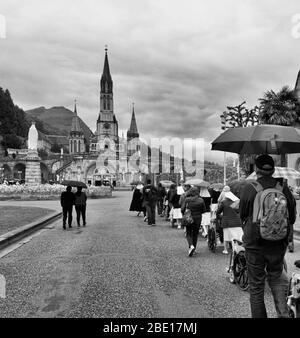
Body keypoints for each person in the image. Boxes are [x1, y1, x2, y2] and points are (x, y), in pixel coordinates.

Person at [239, 155, 296, 318]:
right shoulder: (283, 189)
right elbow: (291, 218)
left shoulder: (249, 188)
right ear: (273, 170)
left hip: (254, 244)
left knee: (256, 287)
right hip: (278, 243)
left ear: (256, 169)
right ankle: (283, 314)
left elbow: (242, 214)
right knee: (277, 279)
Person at [181, 187, 206, 257]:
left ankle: (191, 246)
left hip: (189, 218)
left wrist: (184, 213)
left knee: (188, 233)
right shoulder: (201, 200)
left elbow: (182, 209)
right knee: (195, 234)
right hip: (198, 218)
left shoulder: (187, 200)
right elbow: (204, 210)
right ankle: (194, 249)